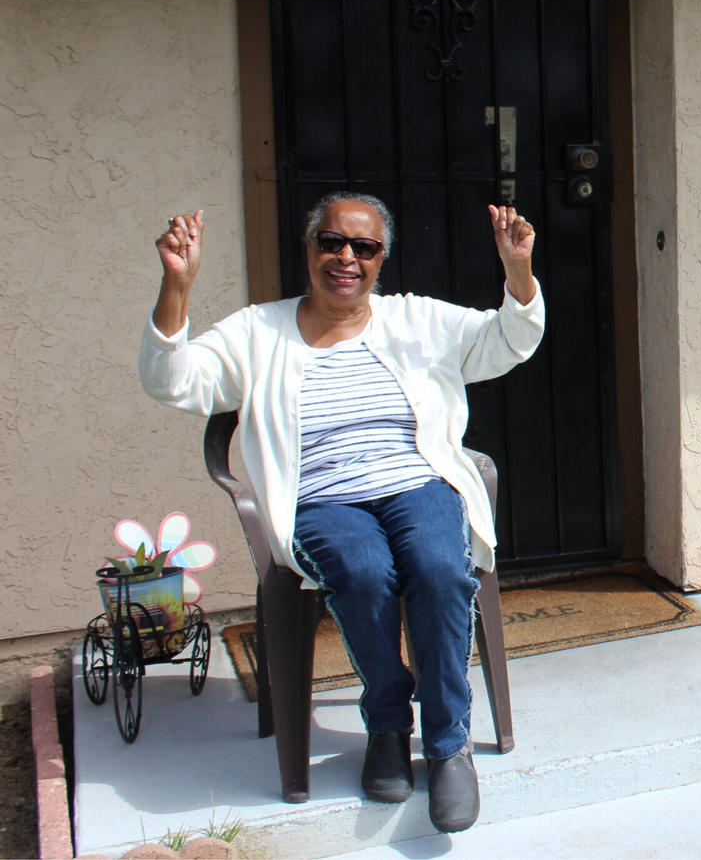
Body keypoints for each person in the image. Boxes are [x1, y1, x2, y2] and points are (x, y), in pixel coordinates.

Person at [139, 193, 543, 834]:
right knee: (359, 571)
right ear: (309, 248)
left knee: (441, 568)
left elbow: (509, 341)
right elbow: (174, 380)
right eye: (332, 242)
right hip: (321, 496)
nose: (346, 257)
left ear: (381, 260)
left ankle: (447, 746)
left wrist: (516, 272)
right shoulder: (256, 331)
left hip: (416, 484)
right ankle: (387, 722)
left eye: (365, 247)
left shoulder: (415, 320)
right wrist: (177, 287)